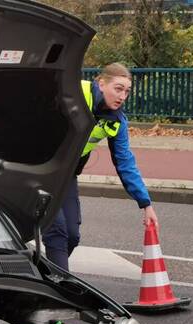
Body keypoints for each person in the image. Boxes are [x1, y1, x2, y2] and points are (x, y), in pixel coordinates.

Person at [42, 62, 159, 272]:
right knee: (57, 231)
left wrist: (145, 203)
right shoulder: (77, 92)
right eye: (118, 88)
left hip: (66, 174)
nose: (123, 96)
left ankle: (46, 274)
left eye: (127, 91)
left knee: (72, 235)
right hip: (42, 166)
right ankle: (60, 287)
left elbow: (125, 162)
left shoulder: (117, 121)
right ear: (101, 83)